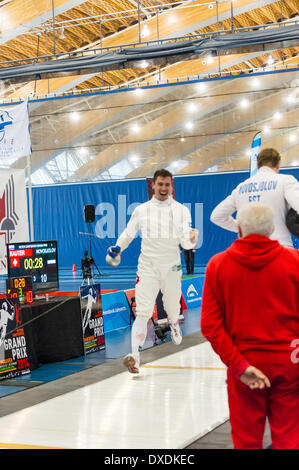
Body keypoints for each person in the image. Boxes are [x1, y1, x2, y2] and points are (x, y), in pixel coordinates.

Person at [201, 202, 299, 449]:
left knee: (246, 440)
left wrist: (238, 364)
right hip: (290, 361)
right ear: (272, 228)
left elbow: (210, 324)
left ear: (240, 229)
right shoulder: (295, 261)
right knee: (290, 438)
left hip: (244, 362)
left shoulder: (218, 265)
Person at [107, 169, 198, 374]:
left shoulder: (181, 210)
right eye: (160, 184)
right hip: (147, 267)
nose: (164, 188)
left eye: (167, 184)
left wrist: (192, 240)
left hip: (172, 267)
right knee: (143, 312)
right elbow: (128, 233)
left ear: (171, 186)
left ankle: (174, 323)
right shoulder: (142, 210)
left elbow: (184, 240)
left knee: (172, 309)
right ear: (153, 186)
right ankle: (135, 358)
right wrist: (118, 247)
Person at [210, 148, 299, 247]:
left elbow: (216, 216)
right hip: (280, 247)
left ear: (257, 165)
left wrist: (246, 227)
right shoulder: (286, 181)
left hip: (248, 251)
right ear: (278, 163)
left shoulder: (240, 187)